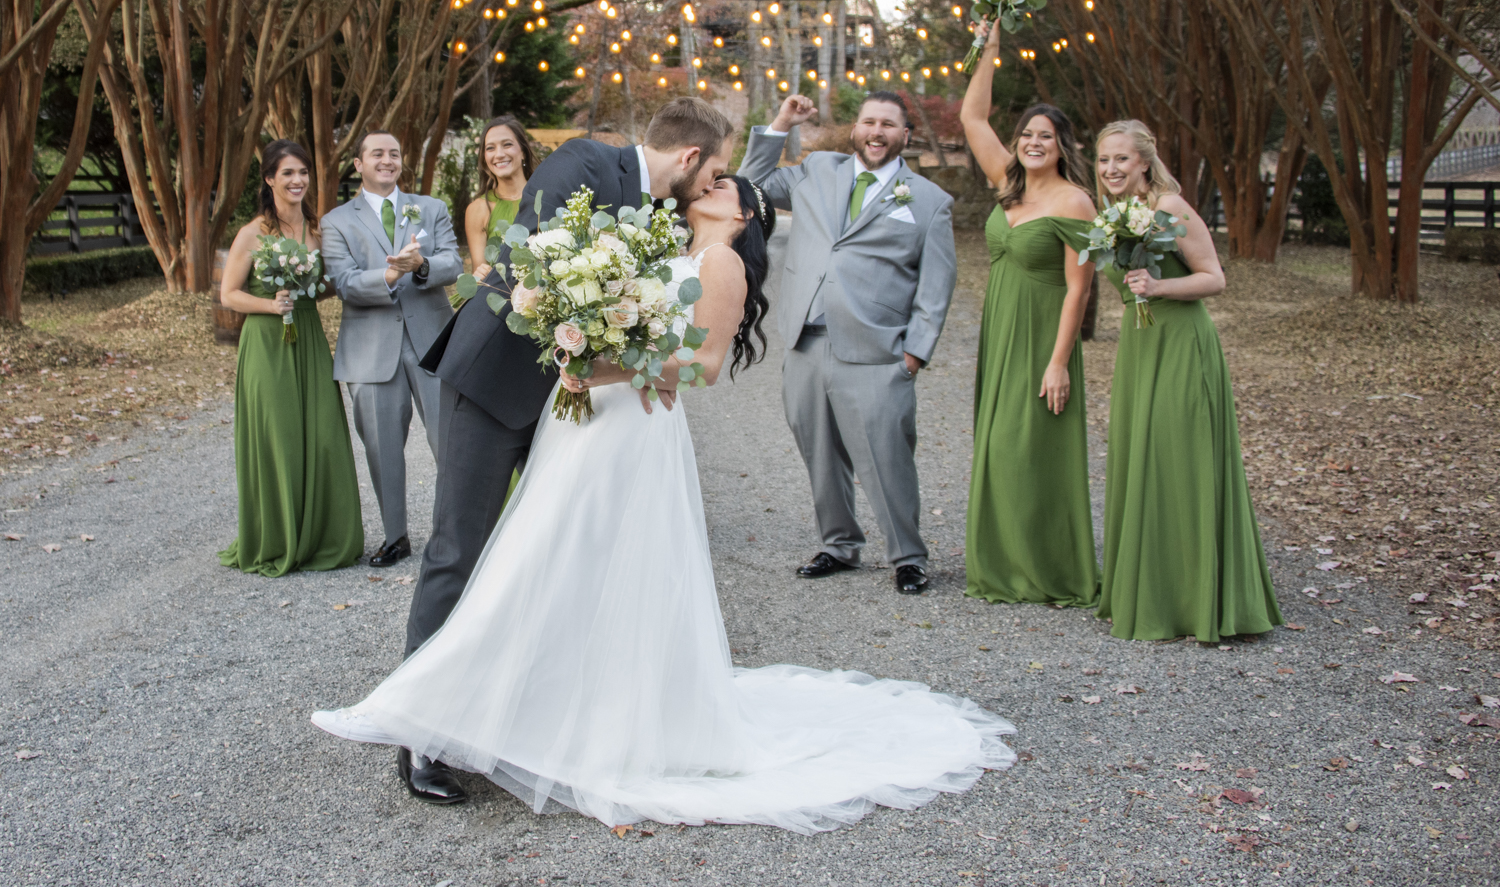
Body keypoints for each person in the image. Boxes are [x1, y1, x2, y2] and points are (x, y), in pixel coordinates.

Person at [312, 176, 1016, 831]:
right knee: (551, 555)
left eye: (724, 185)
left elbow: (705, 364)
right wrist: (582, 346)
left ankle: (513, 712)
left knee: (575, 555)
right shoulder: (675, 250)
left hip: (632, 427)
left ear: (743, 216)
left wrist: (601, 365)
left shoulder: (723, 266)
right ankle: (514, 705)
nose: (707, 183)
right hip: (586, 418)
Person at [402, 98, 736, 801]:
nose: (713, 187)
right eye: (716, 172)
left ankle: (523, 716)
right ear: (689, 157)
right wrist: (627, 358)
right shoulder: (587, 161)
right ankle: (420, 740)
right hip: (496, 386)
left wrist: (644, 364)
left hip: (569, 404)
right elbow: (539, 272)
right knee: (459, 549)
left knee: (551, 557)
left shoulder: (657, 215)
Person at [740, 92, 956, 595]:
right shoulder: (817, 169)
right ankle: (838, 545)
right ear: (854, 129)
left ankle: (908, 555)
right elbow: (750, 186)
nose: (876, 131)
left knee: (887, 453)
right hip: (806, 339)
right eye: (868, 122)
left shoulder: (927, 200)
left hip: (877, 349)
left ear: (906, 135)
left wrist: (915, 352)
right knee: (817, 448)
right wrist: (781, 123)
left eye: (888, 124)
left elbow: (936, 284)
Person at [1093, 120, 1282, 642]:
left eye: (1122, 160)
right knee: (1145, 458)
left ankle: (1197, 599)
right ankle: (1150, 590)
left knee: (1181, 458)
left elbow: (1214, 278)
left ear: (1145, 164)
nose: (1111, 169)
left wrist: (1158, 285)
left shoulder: (1169, 208)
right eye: (1105, 160)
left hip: (1181, 344)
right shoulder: (1110, 216)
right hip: (1139, 347)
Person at [958, 20, 1099, 608]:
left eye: (1046, 135)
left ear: (1063, 144)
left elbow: (1079, 289)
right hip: (1001, 328)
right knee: (998, 444)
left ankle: (1049, 568)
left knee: (1032, 446)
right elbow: (972, 118)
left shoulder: (1076, 202)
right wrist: (991, 48)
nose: (1034, 141)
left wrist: (1059, 362)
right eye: (1027, 133)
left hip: (1045, 332)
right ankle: (1003, 564)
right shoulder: (1006, 184)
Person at [217, 140, 363, 577]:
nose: (298, 180)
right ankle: (278, 537)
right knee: (279, 436)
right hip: (266, 343)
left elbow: (324, 287)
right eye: (288, 174)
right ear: (269, 179)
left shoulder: (317, 232)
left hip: (310, 340)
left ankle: (322, 534)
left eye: (303, 172)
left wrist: (349, 279)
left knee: (320, 433)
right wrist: (270, 305)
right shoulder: (253, 233)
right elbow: (229, 295)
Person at [320, 132, 464, 568]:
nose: (387, 160)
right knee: (382, 447)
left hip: (433, 343)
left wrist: (421, 266)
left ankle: (454, 534)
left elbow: (453, 263)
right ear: (359, 164)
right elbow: (342, 282)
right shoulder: (336, 221)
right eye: (376, 154)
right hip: (369, 350)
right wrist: (385, 277)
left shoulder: (431, 208)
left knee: (452, 442)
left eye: (394, 154)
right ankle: (395, 536)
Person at [461, 115, 538, 283]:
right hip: (500, 298)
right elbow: (480, 274)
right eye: (490, 148)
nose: (499, 154)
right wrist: (479, 275)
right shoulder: (478, 209)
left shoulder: (545, 198)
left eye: (507, 145)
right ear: (484, 158)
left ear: (523, 151)